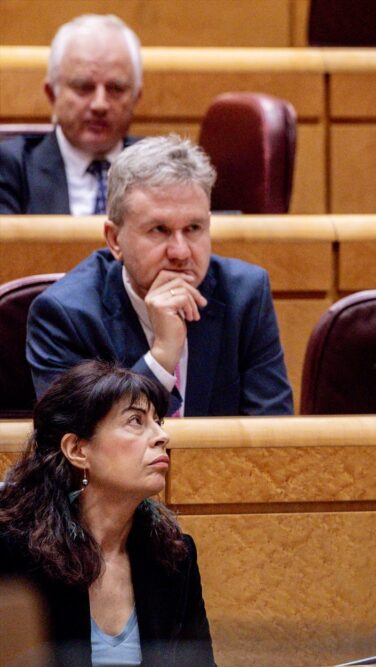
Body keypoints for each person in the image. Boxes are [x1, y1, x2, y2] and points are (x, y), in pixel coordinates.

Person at [26, 134, 294, 416]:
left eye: (193, 228)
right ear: (115, 240)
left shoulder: (245, 295)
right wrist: (162, 356)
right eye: (159, 230)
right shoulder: (66, 315)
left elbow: (273, 438)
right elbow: (77, 442)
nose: (181, 252)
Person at [0, 361, 217, 667]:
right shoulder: (13, 553)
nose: (162, 436)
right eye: (135, 421)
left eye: (157, 421)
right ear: (77, 449)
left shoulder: (174, 555)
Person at [0, 14, 142, 214]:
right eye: (83, 87)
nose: (99, 105)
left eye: (115, 88)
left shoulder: (165, 169)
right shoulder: (12, 169)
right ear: (52, 94)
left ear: (136, 97)